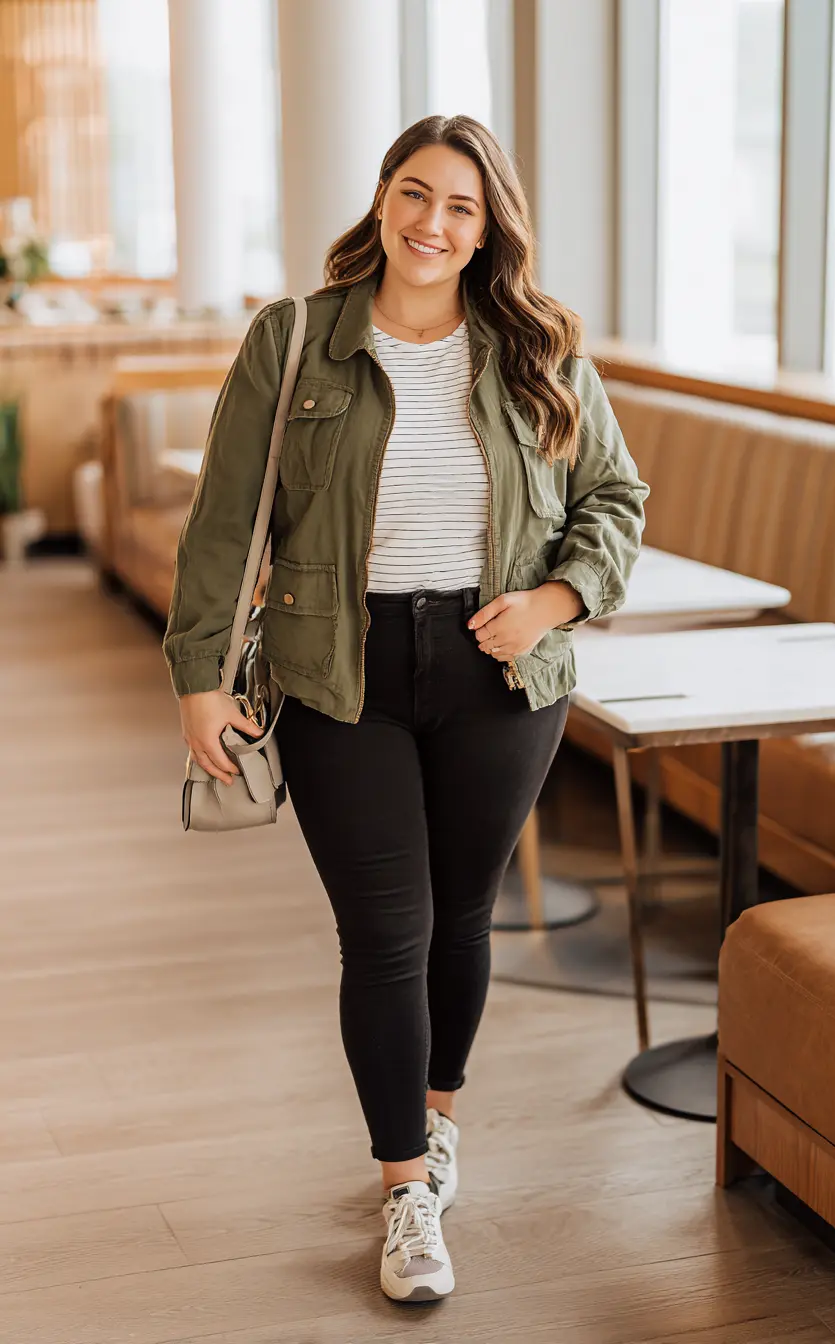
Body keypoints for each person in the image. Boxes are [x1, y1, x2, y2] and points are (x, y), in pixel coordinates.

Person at [163, 114, 648, 1304]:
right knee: (383, 930)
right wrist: (197, 679)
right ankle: (403, 1194)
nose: (433, 224)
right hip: (341, 669)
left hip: (498, 674)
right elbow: (227, 521)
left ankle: (435, 1122)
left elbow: (615, 500)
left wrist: (553, 599)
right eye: (414, 194)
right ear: (381, 198)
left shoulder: (536, 347)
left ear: (490, 227)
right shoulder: (294, 342)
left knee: (461, 916)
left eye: (462, 207)